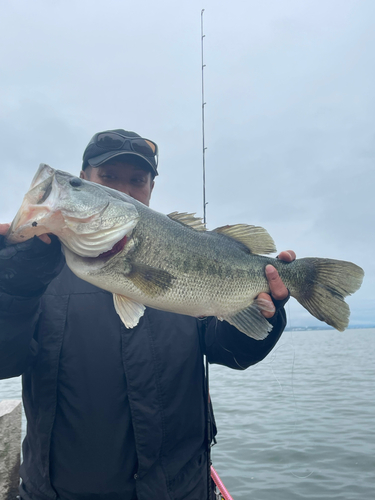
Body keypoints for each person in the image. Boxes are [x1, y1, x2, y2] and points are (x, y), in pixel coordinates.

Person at [0, 129, 295, 500]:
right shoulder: (34, 271)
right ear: (87, 178)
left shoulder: (177, 252)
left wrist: (265, 313)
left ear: (151, 188)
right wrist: (12, 286)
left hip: (180, 491)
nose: (125, 190)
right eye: (108, 178)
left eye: (137, 181)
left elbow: (232, 352)